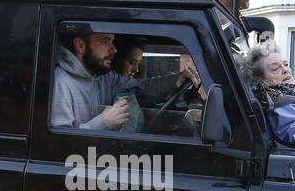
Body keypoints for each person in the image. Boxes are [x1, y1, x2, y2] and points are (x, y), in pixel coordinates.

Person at [50, 25, 198, 130]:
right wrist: (104, 122)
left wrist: (174, 80)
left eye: (112, 42)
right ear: (80, 46)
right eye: (105, 41)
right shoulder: (61, 82)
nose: (113, 49)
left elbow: (142, 87)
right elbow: (58, 144)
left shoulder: (105, 78)